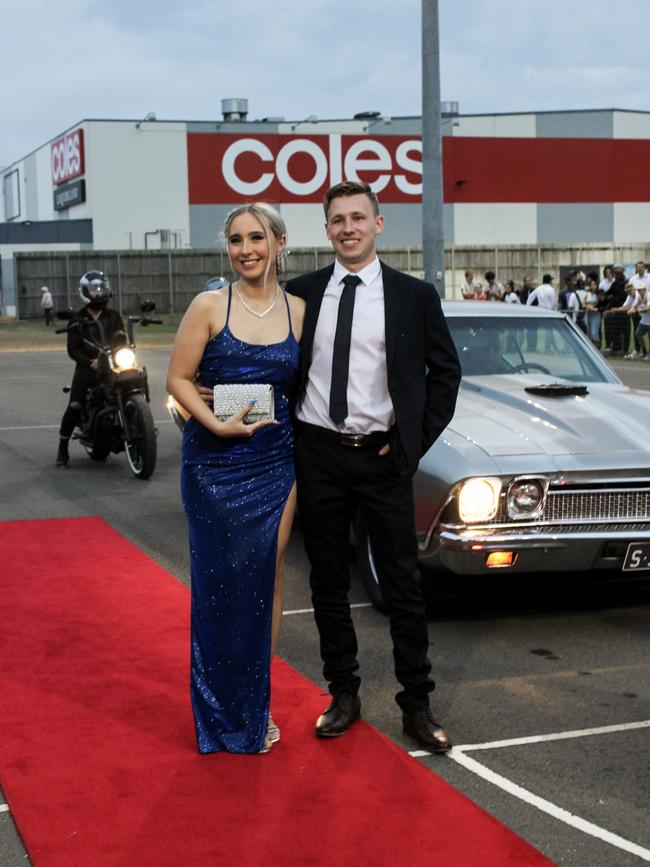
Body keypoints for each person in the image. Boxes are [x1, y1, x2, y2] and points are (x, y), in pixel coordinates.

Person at [286, 181, 461, 753]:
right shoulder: (302, 294)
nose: (348, 228)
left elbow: (445, 374)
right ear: (327, 228)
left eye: (358, 218)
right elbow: (273, 368)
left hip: (384, 459)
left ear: (378, 225)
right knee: (328, 583)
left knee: (404, 587)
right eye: (337, 220)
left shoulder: (414, 295)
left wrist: (412, 446)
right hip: (319, 456)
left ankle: (416, 705)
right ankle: (344, 695)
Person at [166, 203, 305, 755]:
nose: (246, 249)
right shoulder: (208, 305)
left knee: (264, 581)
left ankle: (254, 705)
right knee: (218, 587)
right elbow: (177, 379)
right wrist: (215, 425)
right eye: (235, 240)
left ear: (279, 242)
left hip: (275, 464)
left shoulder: (299, 310)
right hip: (211, 467)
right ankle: (217, 710)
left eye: (256, 237)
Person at [56, 271, 124, 467]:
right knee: (75, 404)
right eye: (93, 289)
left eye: (100, 288)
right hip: (88, 368)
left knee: (133, 382)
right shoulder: (77, 319)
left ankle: (140, 424)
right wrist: (90, 362)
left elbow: (121, 341)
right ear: (85, 292)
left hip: (112, 365)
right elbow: (73, 349)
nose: (97, 293)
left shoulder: (113, 316)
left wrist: (117, 354)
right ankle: (62, 447)